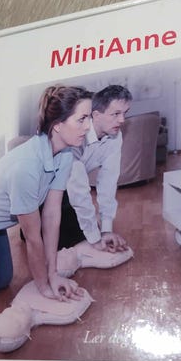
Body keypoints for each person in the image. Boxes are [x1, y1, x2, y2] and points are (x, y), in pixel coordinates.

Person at [0, 85, 92, 305]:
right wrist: (43, 286)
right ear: (58, 125)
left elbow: (51, 216)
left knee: (3, 281)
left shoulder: (65, 154)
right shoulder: (26, 167)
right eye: (82, 119)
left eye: (89, 118)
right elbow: (33, 238)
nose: (88, 126)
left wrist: (53, 274)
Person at [60, 85, 132, 253]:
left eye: (125, 113)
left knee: (87, 233)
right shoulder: (77, 133)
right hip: (46, 192)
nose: (122, 120)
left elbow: (108, 182)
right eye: (116, 114)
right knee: (73, 240)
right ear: (96, 115)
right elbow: (78, 186)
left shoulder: (115, 136)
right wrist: (95, 238)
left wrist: (106, 229)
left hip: (68, 188)